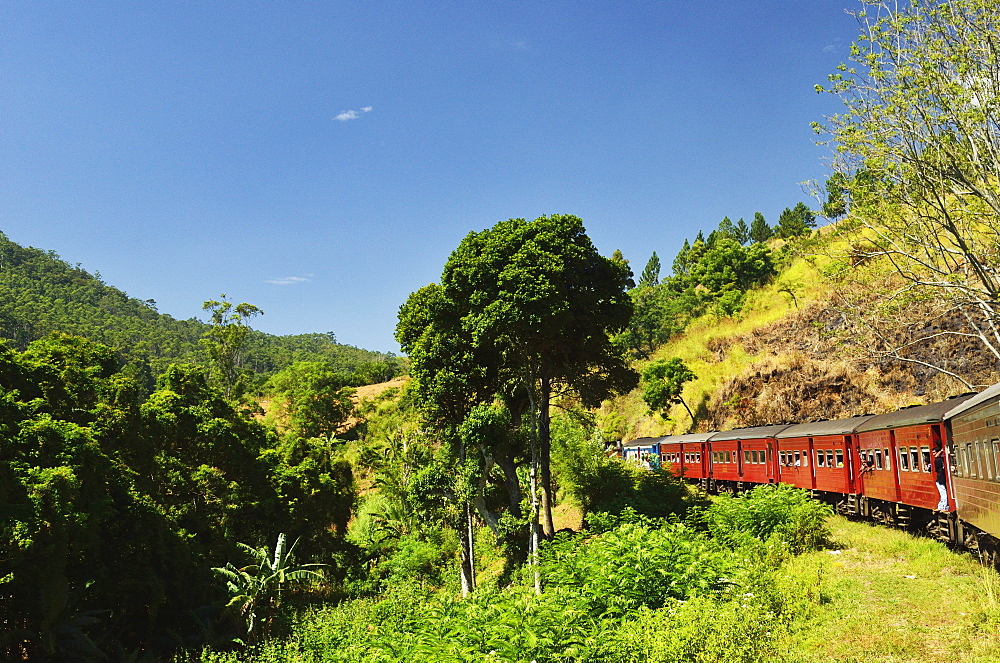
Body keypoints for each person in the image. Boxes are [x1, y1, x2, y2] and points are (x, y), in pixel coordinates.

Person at [932, 445, 948, 511]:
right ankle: (942, 506)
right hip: (941, 478)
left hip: (940, 479)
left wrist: (940, 451)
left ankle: (943, 507)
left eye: (934, 452)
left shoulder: (937, 460)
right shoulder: (941, 459)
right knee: (943, 493)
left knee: (943, 493)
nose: (933, 454)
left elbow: (937, 470)